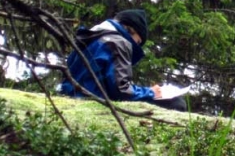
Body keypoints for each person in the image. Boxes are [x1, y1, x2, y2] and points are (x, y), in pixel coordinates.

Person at [59, 9, 187, 111]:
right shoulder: (119, 42)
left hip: (72, 96)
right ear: (131, 30)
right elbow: (121, 91)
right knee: (177, 102)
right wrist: (151, 92)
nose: (136, 46)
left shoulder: (88, 38)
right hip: (93, 100)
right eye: (138, 41)